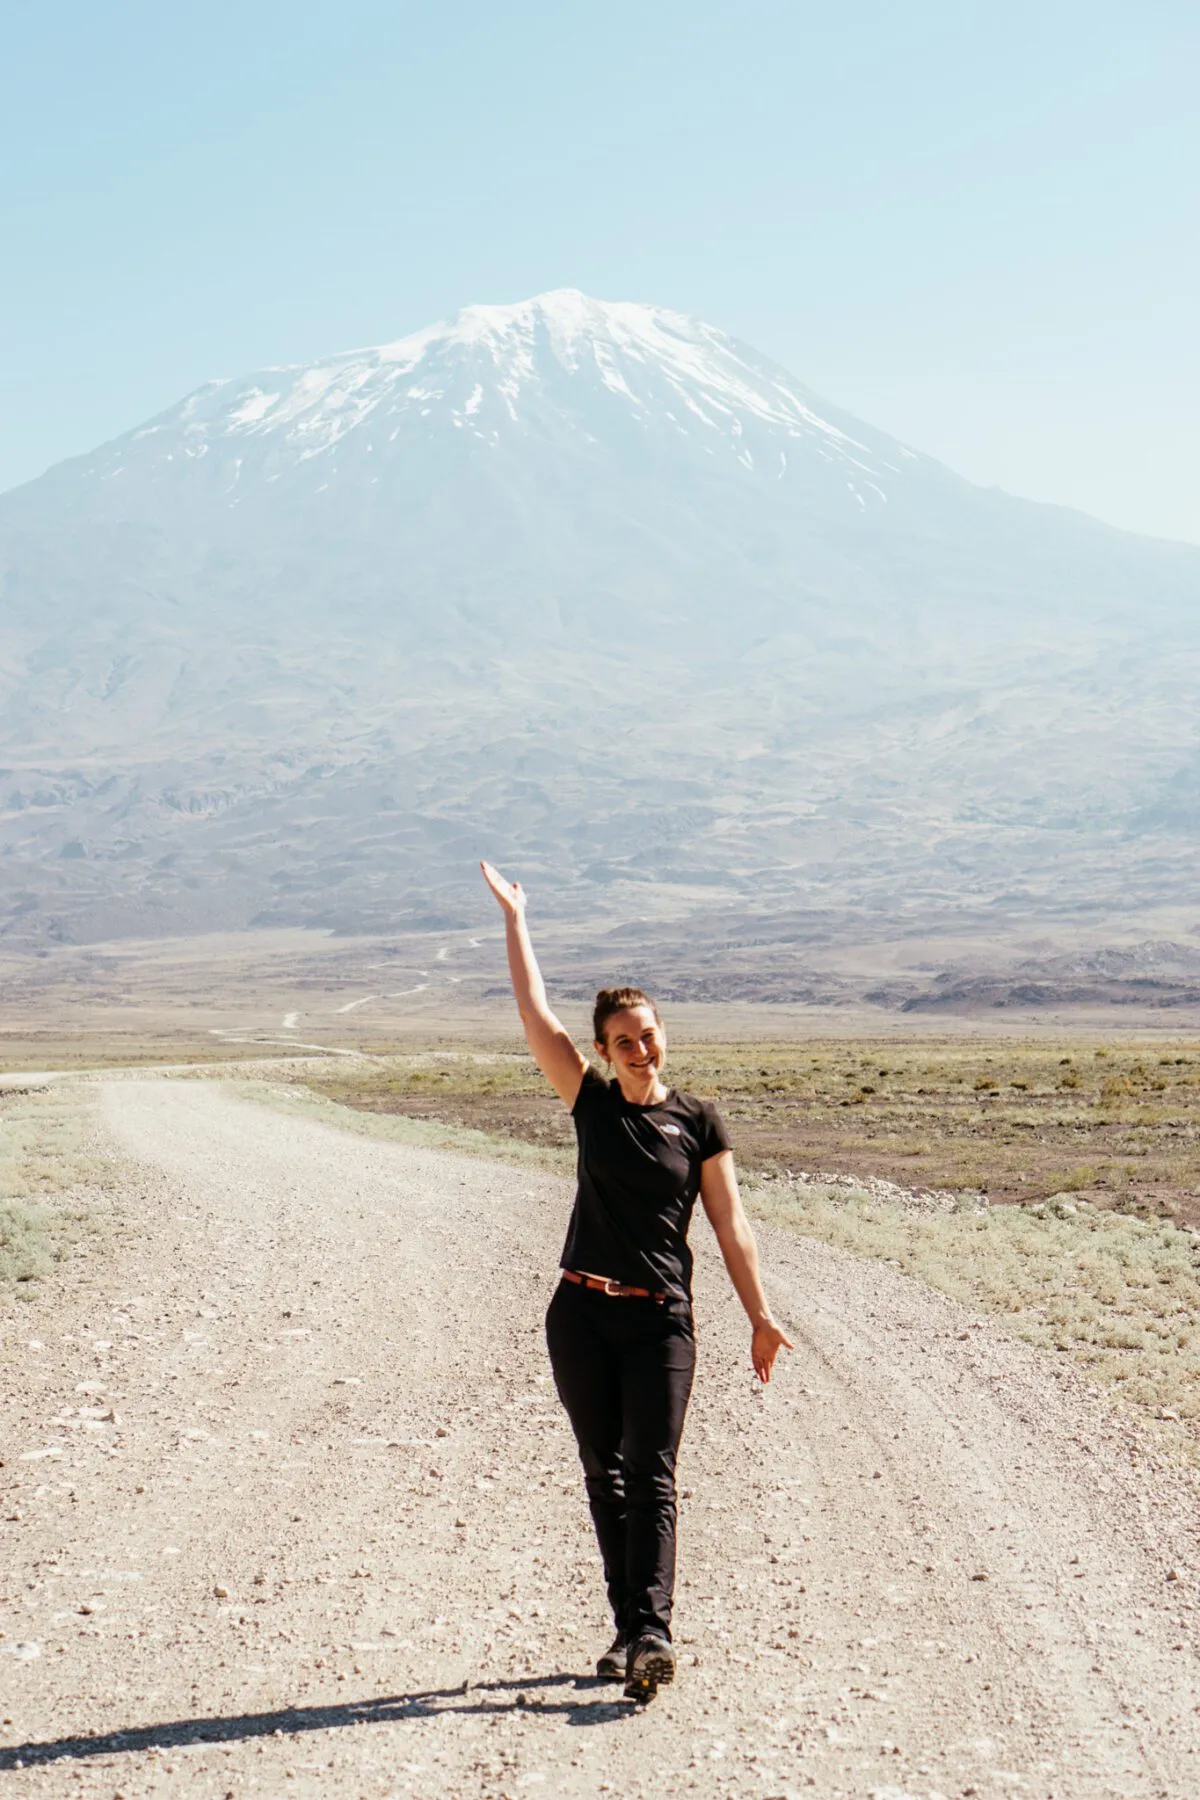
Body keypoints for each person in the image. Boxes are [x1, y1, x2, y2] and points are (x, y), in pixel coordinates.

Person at [480, 861, 792, 1703]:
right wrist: (517, 920)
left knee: (650, 1471)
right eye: (625, 1039)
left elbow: (731, 1224)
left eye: (650, 1034)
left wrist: (760, 1314)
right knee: (602, 1472)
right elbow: (534, 1015)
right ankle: (628, 1631)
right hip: (580, 1314)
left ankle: (651, 1631)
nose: (643, 1048)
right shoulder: (588, 1101)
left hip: (661, 1323)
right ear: (605, 1050)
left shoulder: (698, 1121)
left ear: (664, 1036)